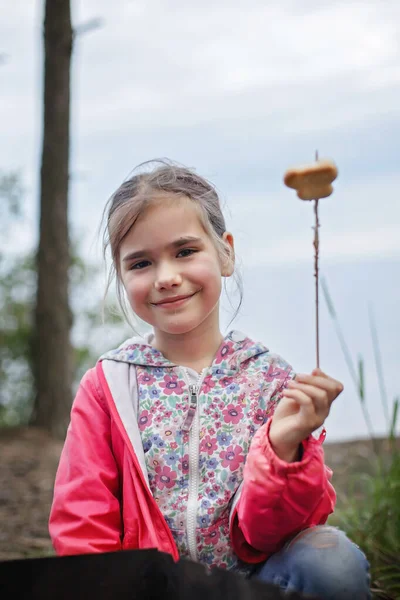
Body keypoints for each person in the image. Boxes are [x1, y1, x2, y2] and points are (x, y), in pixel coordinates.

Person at [49, 160, 371, 599]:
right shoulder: (108, 386)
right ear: (122, 276)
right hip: (150, 592)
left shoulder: (271, 380)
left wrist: (284, 448)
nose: (167, 277)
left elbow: (274, 535)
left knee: (331, 562)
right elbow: (83, 518)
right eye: (141, 263)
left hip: (253, 588)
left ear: (225, 253)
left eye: (184, 251)